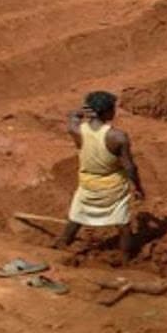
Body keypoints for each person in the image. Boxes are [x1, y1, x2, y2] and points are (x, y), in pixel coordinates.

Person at [54, 91, 145, 261]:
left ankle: (63, 243)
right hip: (113, 186)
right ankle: (125, 256)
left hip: (88, 183)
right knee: (122, 222)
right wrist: (138, 187)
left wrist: (83, 111)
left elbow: (73, 115)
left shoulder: (76, 129)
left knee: (77, 215)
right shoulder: (118, 137)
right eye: (113, 109)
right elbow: (130, 167)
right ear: (107, 112)